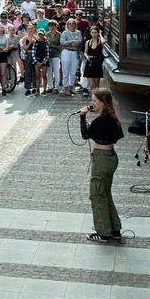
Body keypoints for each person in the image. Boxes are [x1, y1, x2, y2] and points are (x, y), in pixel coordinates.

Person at [79, 89, 124, 243]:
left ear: (103, 103)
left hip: (102, 159)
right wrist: (96, 128)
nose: (92, 103)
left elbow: (85, 135)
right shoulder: (112, 118)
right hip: (111, 157)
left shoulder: (101, 120)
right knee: (106, 194)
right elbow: (114, 136)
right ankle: (115, 230)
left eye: (94, 101)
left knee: (97, 195)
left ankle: (103, 233)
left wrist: (82, 117)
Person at [60, 18, 82, 96]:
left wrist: (69, 42)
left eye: (73, 23)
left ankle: (71, 88)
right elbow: (63, 43)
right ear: (67, 25)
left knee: (73, 71)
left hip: (75, 52)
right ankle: (66, 88)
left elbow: (79, 42)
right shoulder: (64, 33)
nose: (71, 25)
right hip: (66, 52)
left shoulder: (78, 32)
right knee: (65, 71)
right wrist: (72, 42)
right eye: (70, 23)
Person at [83, 26, 105, 92]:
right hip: (90, 63)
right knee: (91, 85)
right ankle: (93, 97)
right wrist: (87, 57)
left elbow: (103, 42)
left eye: (95, 33)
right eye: (92, 33)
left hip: (97, 64)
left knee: (96, 84)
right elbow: (85, 52)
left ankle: (97, 97)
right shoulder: (88, 42)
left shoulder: (99, 41)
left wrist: (100, 34)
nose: (94, 34)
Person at [31, 29, 50, 96]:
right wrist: (36, 61)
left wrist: (43, 62)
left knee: (44, 75)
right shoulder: (36, 43)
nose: (40, 35)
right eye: (39, 34)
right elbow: (33, 52)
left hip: (44, 61)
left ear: (44, 35)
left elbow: (47, 54)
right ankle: (38, 89)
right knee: (37, 76)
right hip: (37, 60)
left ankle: (44, 89)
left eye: (41, 34)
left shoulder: (46, 43)